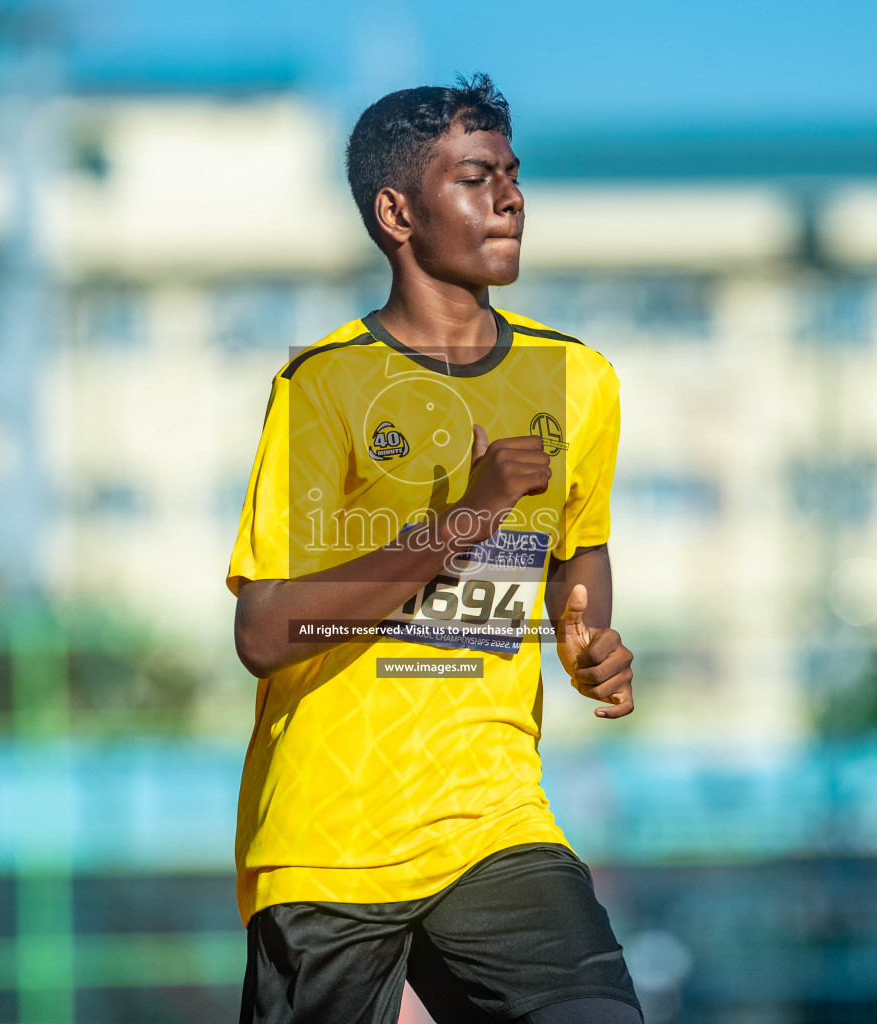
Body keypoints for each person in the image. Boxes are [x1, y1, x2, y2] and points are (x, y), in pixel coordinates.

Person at [227, 73, 641, 1024]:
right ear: (396, 211)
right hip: (330, 841)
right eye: (474, 177)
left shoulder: (579, 380)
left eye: (513, 174)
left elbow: (580, 554)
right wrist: (465, 517)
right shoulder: (322, 388)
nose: (510, 198)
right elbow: (264, 629)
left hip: (494, 820)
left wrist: (590, 645)